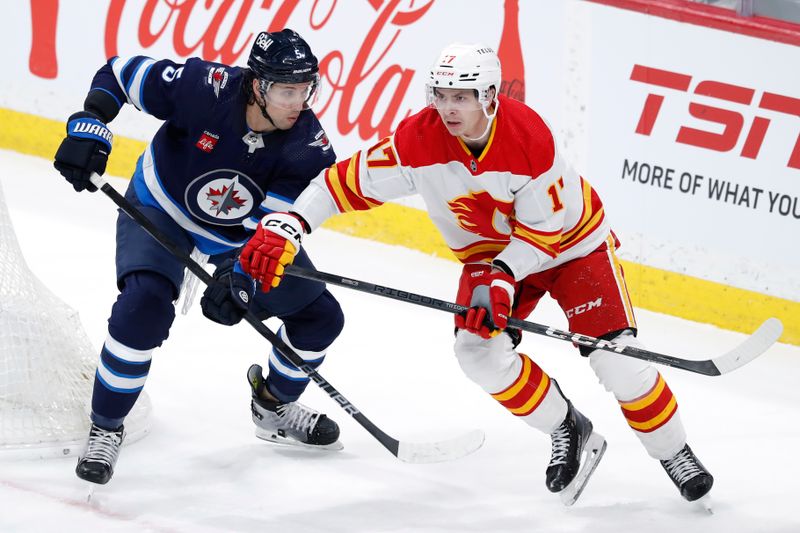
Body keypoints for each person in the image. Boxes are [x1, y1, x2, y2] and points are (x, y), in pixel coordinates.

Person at [238, 43, 714, 504]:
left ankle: (675, 453)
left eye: (461, 97)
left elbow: (543, 234)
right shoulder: (417, 141)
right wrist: (288, 225)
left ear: (489, 96)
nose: (448, 108)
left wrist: (504, 280)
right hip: (491, 258)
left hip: (572, 247)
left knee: (618, 361)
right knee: (478, 355)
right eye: (440, 95)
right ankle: (567, 426)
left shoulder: (529, 138)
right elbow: (338, 184)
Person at [53, 29, 345, 485]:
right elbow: (119, 74)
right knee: (142, 308)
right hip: (161, 205)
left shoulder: (307, 148)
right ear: (257, 85)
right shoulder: (203, 87)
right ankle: (105, 428)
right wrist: (91, 124)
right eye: (287, 90)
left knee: (321, 318)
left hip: (238, 235)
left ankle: (273, 408)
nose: (299, 102)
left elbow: (265, 232)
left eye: (306, 89)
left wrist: (238, 276)